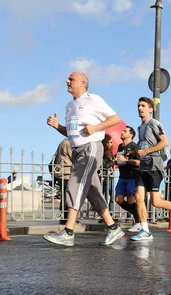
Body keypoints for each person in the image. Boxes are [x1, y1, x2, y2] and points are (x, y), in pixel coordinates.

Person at [44, 71, 124, 247]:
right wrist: (57, 126)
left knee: (76, 183)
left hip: (91, 147)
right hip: (77, 150)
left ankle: (68, 232)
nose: (67, 81)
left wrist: (96, 127)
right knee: (92, 191)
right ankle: (113, 228)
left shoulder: (93, 99)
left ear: (82, 83)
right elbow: (71, 132)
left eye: (71, 79)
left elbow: (115, 119)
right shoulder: (69, 106)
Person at [131, 97, 171, 241]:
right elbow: (144, 146)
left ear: (150, 109)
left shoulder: (154, 123)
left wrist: (146, 152)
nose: (140, 108)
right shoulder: (140, 127)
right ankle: (145, 230)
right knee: (139, 198)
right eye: (138, 106)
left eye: (143, 106)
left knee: (156, 202)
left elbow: (164, 142)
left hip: (154, 167)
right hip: (143, 167)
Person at [114, 126, 141, 232]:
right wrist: (115, 160)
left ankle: (138, 222)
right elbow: (119, 159)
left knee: (131, 199)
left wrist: (127, 161)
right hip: (122, 176)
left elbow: (139, 162)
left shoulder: (135, 146)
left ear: (130, 135)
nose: (122, 132)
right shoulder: (120, 146)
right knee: (118, 200)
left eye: (125, 131)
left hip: (132, 177)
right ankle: (139, 215)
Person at [52, 137, 73, 222]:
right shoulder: (68, 142)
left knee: (64, 195)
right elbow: (73, 156)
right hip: (66, 172)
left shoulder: (62, 142)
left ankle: (64, 216)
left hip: (62, 172)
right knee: (67, 196)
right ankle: (66, 216)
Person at [100, 136, 116, 216]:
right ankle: (106, 214)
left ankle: (111, 213)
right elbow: (103, 164)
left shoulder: (110, 152)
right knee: (105, 195)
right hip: (105, 175)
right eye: (109, 142)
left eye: (111, 142)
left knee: (111, 195)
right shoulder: (103, 152)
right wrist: (112, 162)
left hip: (110, 175)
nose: (111, 144)